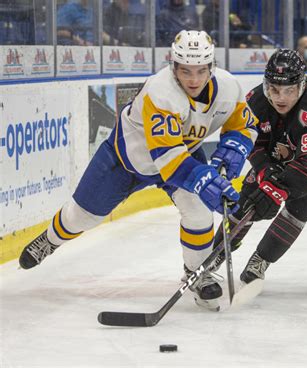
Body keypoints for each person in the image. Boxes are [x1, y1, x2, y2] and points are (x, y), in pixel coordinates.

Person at [18, 30, 258, 311]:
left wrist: (231, 153)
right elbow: (168, 159)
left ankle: (198, 273)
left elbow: (244, 125)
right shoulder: (161, 91)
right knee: (80, 217)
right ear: (173, 66)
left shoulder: (229, 88)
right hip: (125, 159)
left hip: (182, 154)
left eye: (201, 71)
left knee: (199, 211)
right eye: (185, 71)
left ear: (211, 67)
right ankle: (50, 239)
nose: (193, 79)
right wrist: (209, 183)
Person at [211, 49, 307, 286]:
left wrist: (275, 191)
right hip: (281, 153)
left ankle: (261, 259)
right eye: (274, 89)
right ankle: (216, 253)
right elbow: (253, 143)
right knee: (248, 198)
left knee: (301, 204)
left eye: (289, 90)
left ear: (301, 85)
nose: (281, 98)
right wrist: (264, 172)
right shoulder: (255, 100)